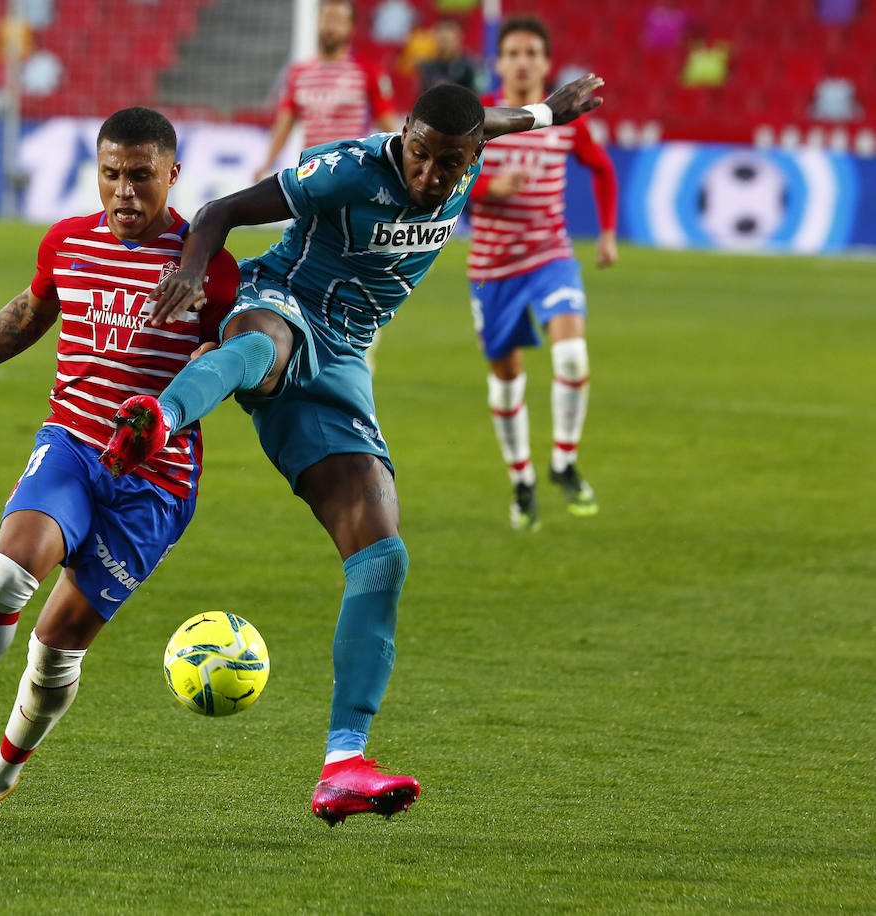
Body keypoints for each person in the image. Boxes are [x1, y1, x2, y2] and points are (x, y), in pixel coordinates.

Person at [100, 75, 606, 825]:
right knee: (262, 347)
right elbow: (219, 211)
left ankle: (343, 765)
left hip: (343, 361)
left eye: (449, 163)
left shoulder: (464, 149)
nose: (429, 174)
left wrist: (545, 114)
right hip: (279, 301)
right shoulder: (348, 171)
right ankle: (159, 418)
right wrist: (190, 271)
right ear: (403, 136)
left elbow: (489, 122)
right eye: (420, 155)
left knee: (382, 557)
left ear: (470, 157)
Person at [0, 107, 240, 818]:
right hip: (72, 443)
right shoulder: (68, 242)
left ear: (173, 174)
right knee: (6, 574)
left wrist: (202, 361)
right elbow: (29, 314)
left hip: (155, 481)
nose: (125, 190)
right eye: (111, 174)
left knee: (55, 647)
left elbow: (230, 359)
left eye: (141, 176)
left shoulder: (209, 268)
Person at [466, 16, 618, 530]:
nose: (523, 62)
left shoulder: (566, 117)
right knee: (507, 380)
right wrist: (489, 189)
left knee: (572, 355)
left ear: (547, 63)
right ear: (499, 62)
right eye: (513, 53)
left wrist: (607, 233)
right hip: (492, 268)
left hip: (550, 256)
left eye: (532, 53)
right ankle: (522, 479)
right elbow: (444, 183)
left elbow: (602, 168)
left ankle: (563, 461)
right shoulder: (480, 119)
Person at [254, 0, 400, 183]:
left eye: (338, 20)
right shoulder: (298, 74)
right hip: (311, 174)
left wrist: (400, 163)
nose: (331, 26)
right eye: (327, 19)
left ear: (351, 27)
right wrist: (267, 164)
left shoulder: (368, 72)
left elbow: (388, 123)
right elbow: (284, 124)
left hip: (352, 174)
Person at [418, 19, 481, 93]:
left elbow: (475, 96)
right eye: (442, 40)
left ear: (458, 39)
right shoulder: (428, 68)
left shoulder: (468, 68)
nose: (444, 45)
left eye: (448, 40)